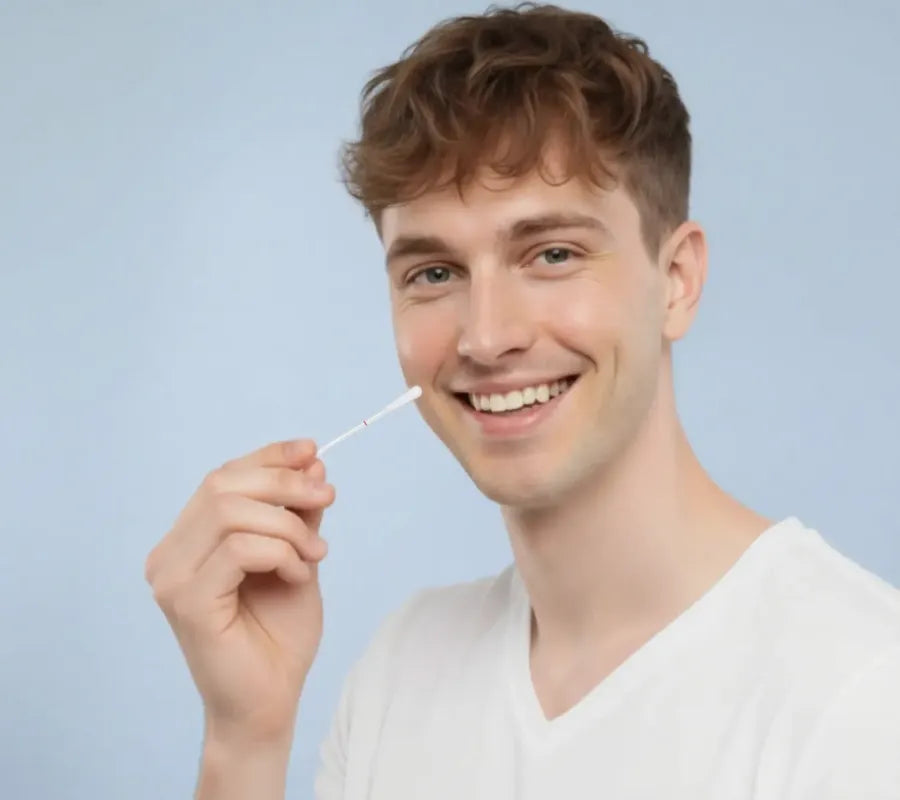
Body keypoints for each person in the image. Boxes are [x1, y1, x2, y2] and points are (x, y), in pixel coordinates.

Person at [144, 4, 900, 798]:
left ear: (675, 282)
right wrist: (246, 738)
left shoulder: (859, 691)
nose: (484, 337)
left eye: (551, 254)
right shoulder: (403, 670)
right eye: (433, 273)